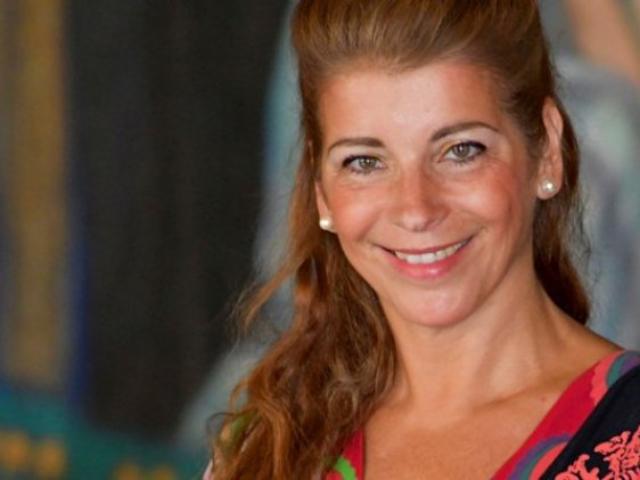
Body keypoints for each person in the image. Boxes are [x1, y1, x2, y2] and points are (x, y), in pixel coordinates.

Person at [206, 1, 640, 479]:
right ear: (321, 190)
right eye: (365, 162)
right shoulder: (263, 447)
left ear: (547, 151)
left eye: (461, 151)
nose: (416, 210)